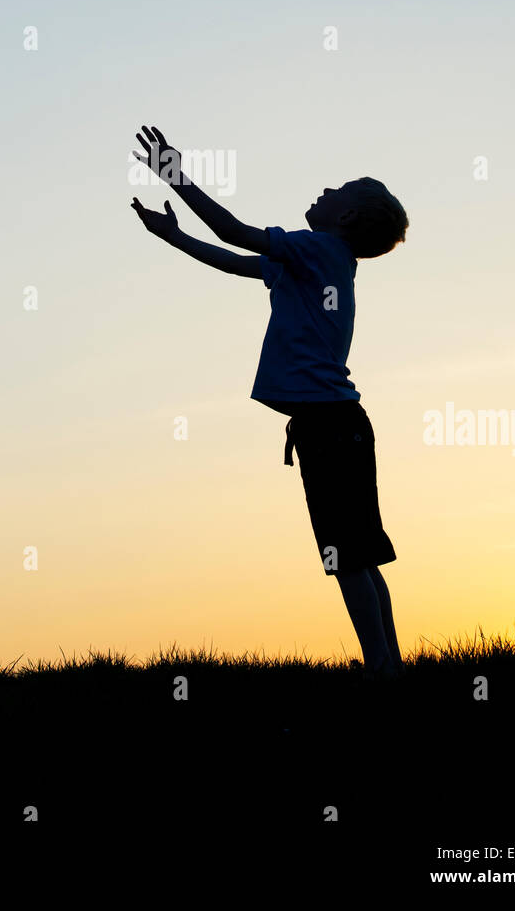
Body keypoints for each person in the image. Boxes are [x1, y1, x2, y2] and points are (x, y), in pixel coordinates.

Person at [130, 123, 409, 679]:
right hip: (335, 423)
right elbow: (236, 261)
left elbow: (234, 231)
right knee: (359, 554)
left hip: (330, 424)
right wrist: (172, 236)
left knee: (348, 555)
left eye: (337, 191)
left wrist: (175, 176)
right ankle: (389, 666)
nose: (325, 192)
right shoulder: (311, 262)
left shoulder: (318, 249)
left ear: (346, 219)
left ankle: (382, 669)